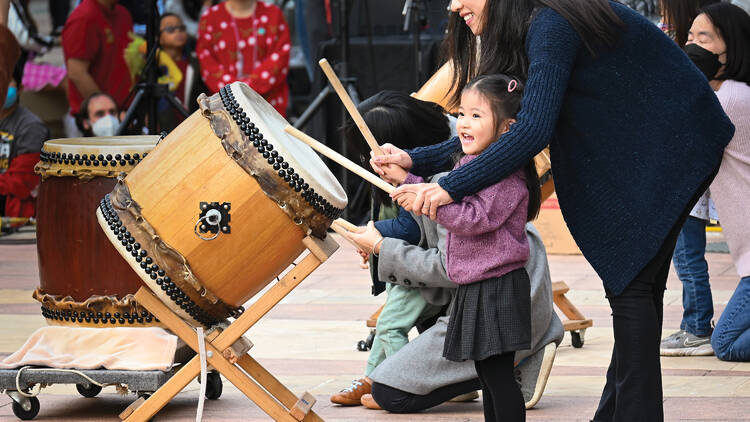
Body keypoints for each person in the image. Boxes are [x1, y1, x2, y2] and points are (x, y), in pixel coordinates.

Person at [370, 0, 735, 420]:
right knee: (638, 290)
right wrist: (415, 161)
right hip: (657, 143)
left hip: (673, 141)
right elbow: (499, 126)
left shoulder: (550, 24)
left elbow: (533, 128)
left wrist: (450, 187)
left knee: (632, 290)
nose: (453, 5)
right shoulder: (535, 25)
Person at [329, 91, 450, 408]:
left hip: (421, 269)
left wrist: (374, 234)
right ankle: (374, 378)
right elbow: (388, 219)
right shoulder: (396, 172)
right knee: (390, 326)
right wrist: (372, 238)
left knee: (390, 326)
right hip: (406, 267)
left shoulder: (427, 178)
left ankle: (403, 383)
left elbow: (414, 229)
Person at [685, 2, 750, 362]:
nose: (692, 45)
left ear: (730, 48)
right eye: (690, 36)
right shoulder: (728, 94)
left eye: (704, 38)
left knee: (724, 343)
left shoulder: (730, 99)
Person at [658, 0, 722, 357]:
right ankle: (693, 324)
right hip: (688, 189)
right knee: (688, 259)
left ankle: (697, 326)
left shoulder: (691, 70)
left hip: (686, 191)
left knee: (687, 260)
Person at [196, 0, 291, 116]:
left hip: (269, 103)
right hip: (226, 105)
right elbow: (207, 62)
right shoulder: (210, 17)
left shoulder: (273, 13)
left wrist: (249, 88)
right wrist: (233, 92)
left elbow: (280, 56)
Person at [62, 0, 134, 120]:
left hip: (126, 111)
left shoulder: (123, 13)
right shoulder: (84, 17)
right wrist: (108, 113)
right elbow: (77, 73)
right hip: (99, 119)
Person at [0, 64, 49, 217]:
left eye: (6, 81)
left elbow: (21, 182)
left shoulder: (31, 127)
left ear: (20, 88)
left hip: (16, 213)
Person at [157, 12, 208, 129]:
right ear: (158, 38)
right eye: (170, 29)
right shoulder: (153, 66)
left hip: (191, 124)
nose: (178, 32)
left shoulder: (195, 63)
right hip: (161, 126)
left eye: (181, 28)